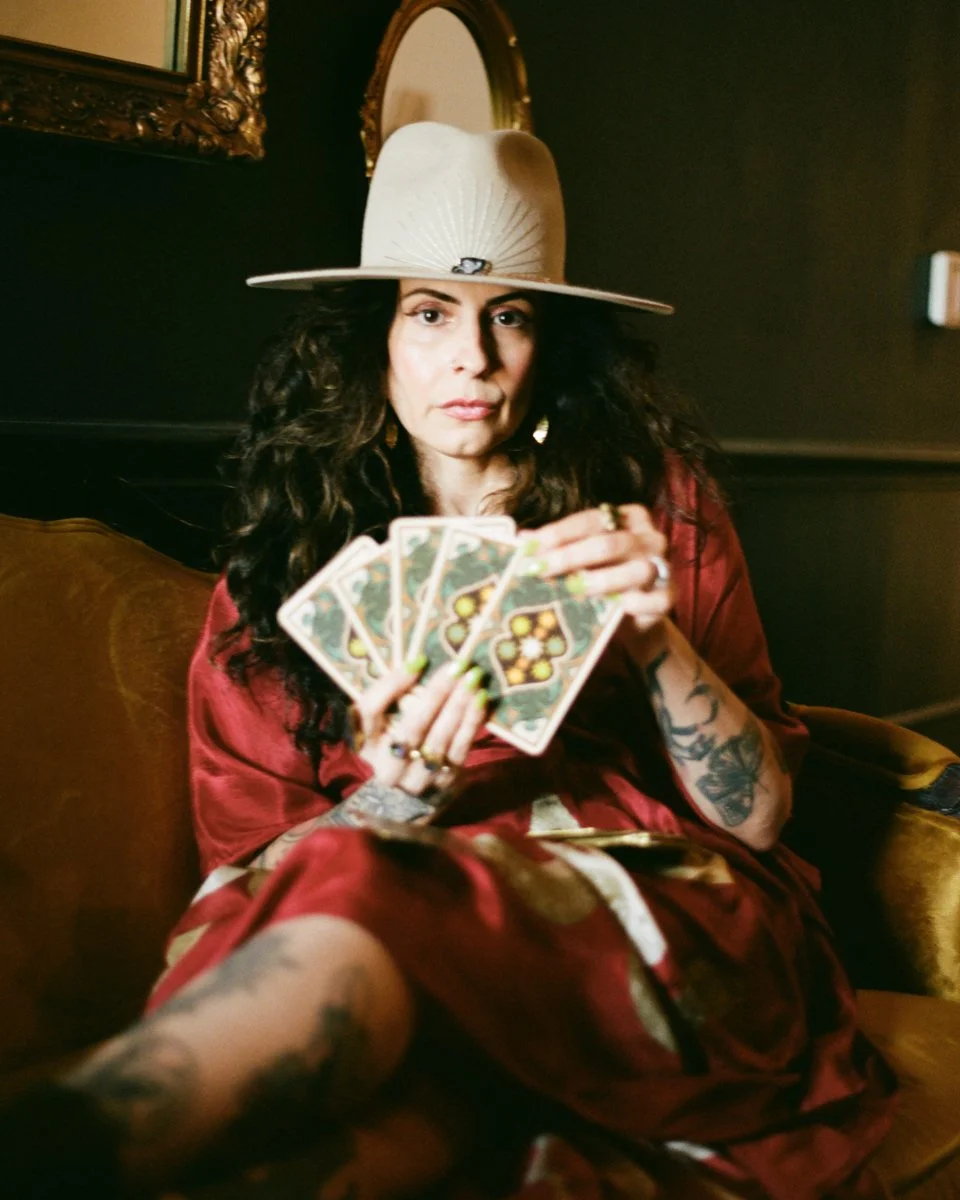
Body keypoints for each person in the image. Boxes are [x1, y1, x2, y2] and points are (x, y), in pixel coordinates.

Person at [5, 122, 895, 1200]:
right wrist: (399, 796)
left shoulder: (656, 509)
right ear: (373, 340)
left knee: (370, 888)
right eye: (430, 314)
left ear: (548, 342)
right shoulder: (287, 571)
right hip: (368, 932)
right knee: (386, 1061)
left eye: (506, 317)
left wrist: (654, 637)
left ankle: (73, 1137)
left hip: (646, 925)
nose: (471, 358)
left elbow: (756, 820)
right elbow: (254, 869)